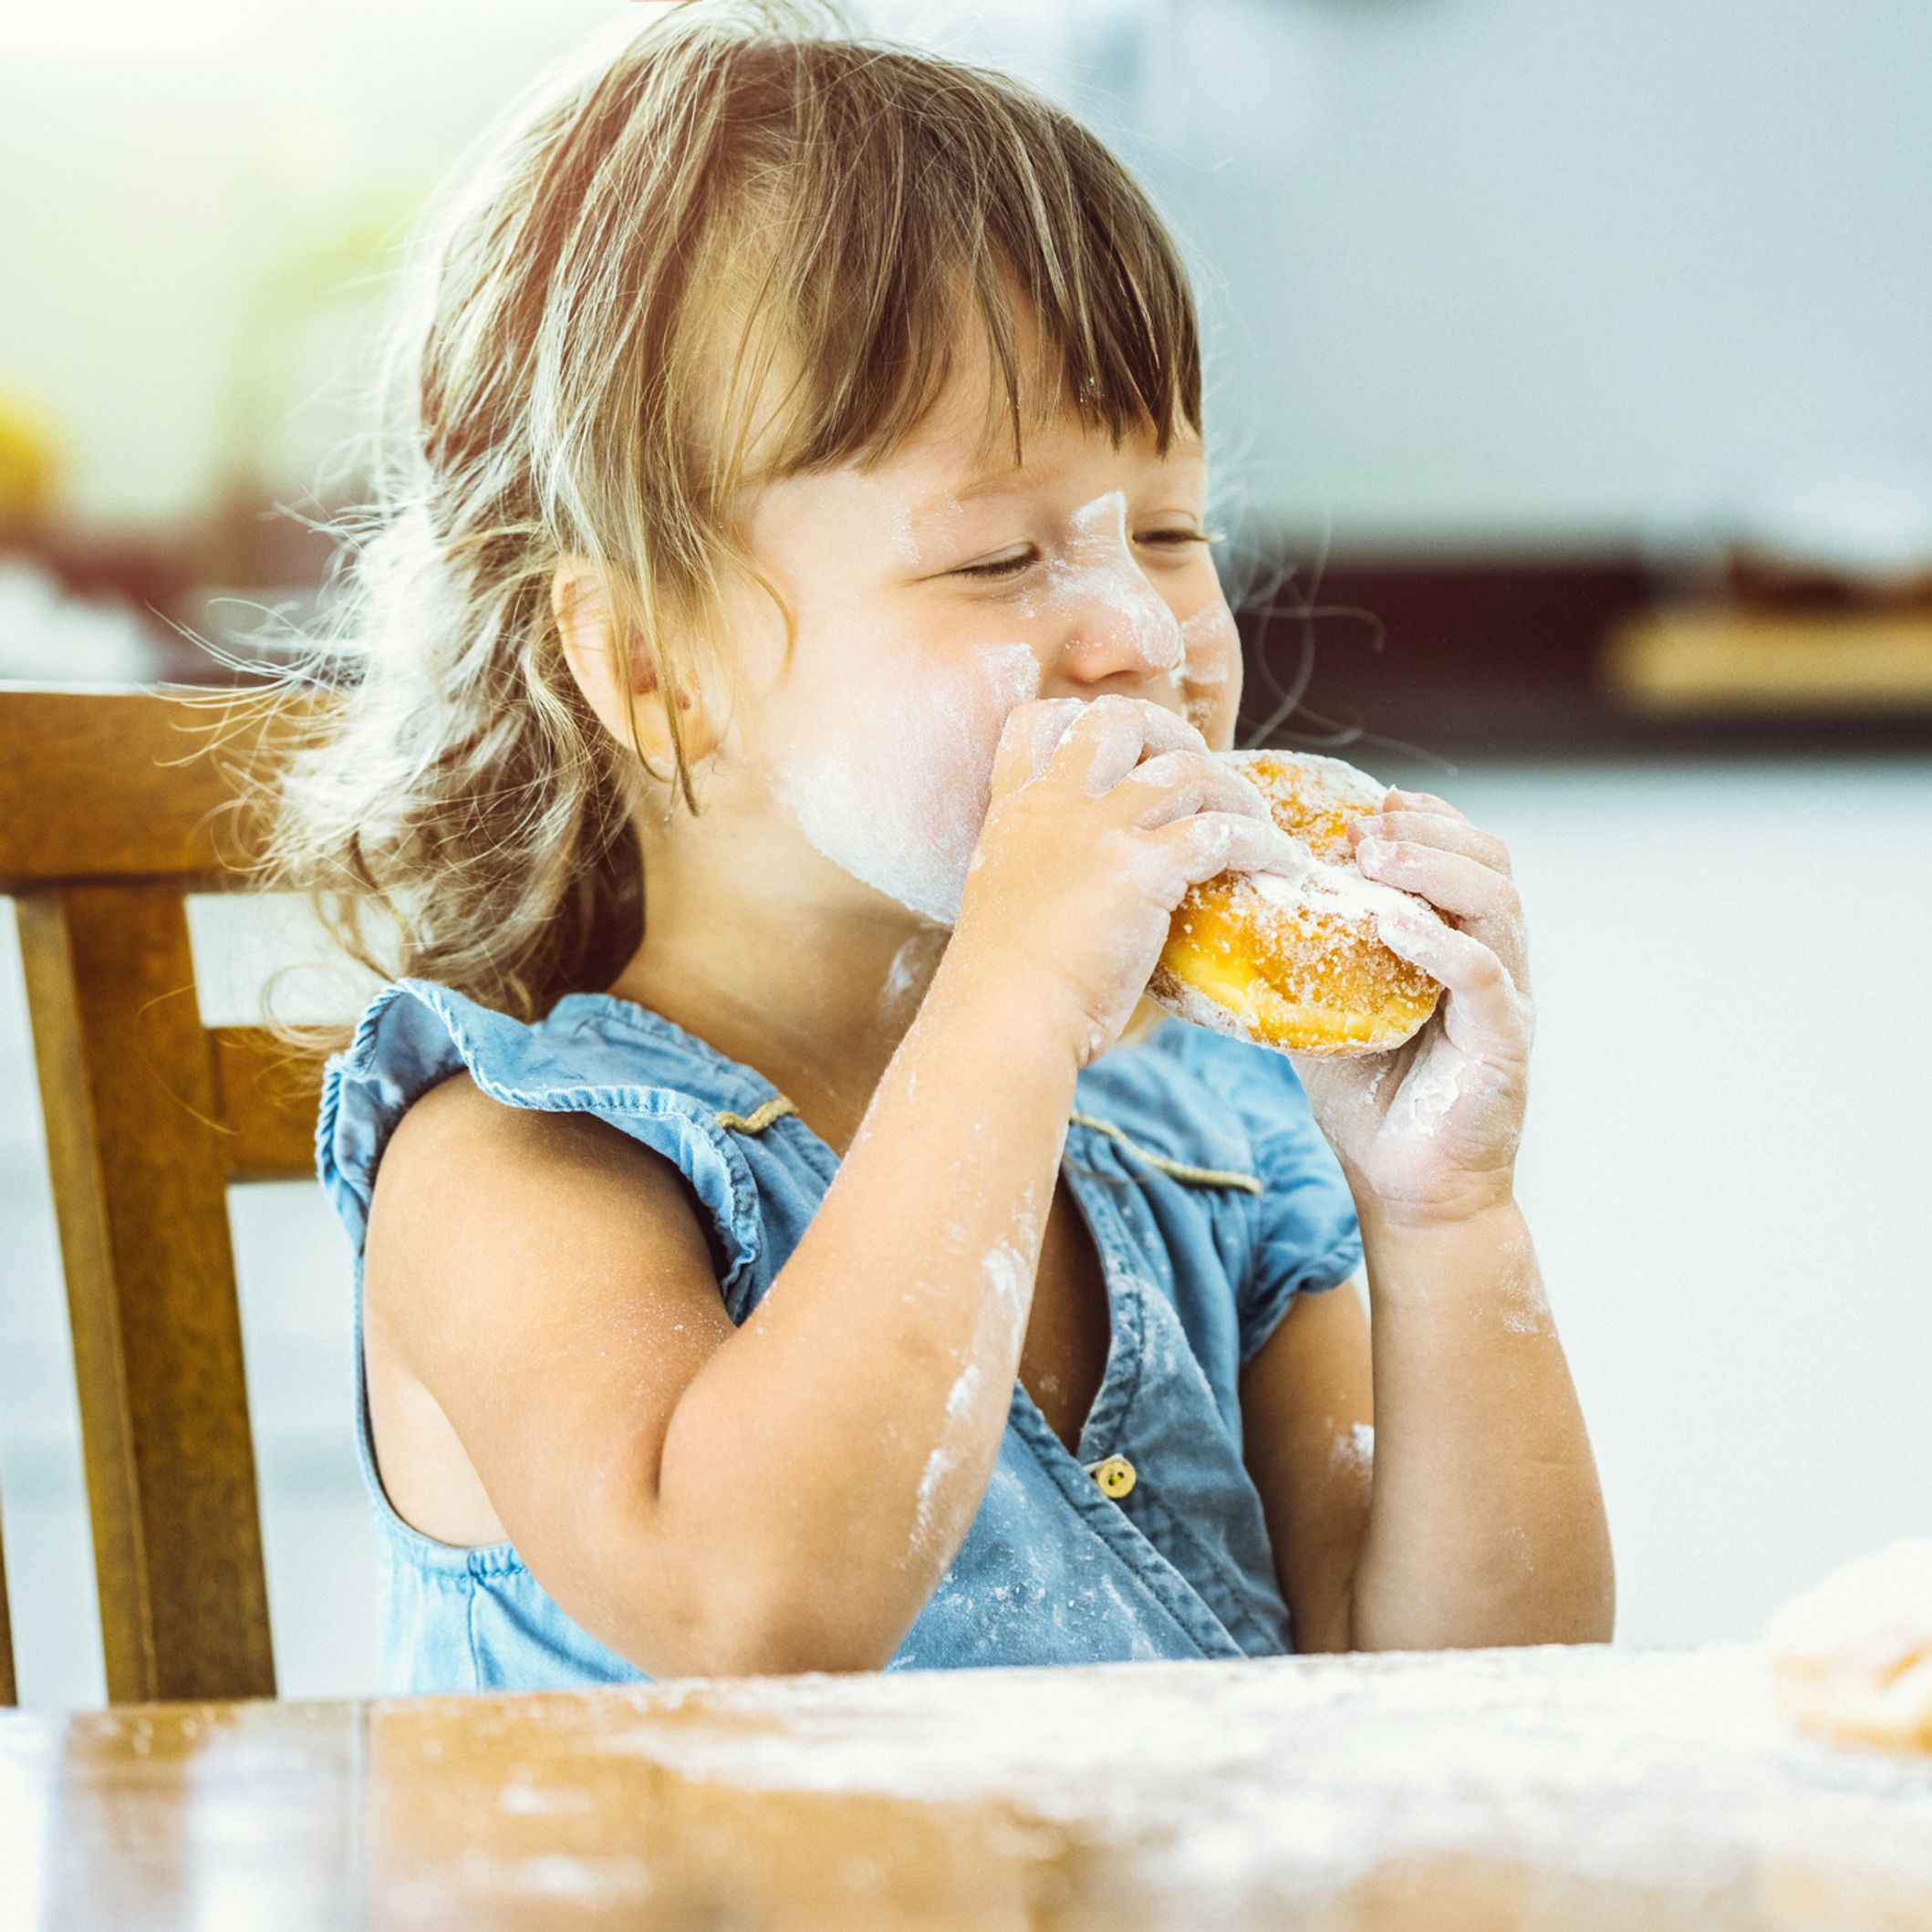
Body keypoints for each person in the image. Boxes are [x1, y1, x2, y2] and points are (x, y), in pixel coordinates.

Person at [263, 0, 1612, 1692]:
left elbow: (1482, 1700)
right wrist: (1017, 999)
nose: (1138, 629)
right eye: (995, 558)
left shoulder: (1212, 1143)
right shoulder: (521, 1170)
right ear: (651, 672)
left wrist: (1444, 1216)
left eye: (1173, 530)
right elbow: (756, 1615)